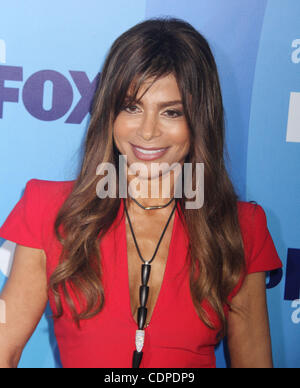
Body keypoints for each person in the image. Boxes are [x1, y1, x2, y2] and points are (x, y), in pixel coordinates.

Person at [0, 18, 282, 368]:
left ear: (199, 119)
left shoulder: (240, 228)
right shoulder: (49, 210)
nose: (147, 132)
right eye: (132, 106)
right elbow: (3, 347)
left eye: (171, 112)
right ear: (109, 112)